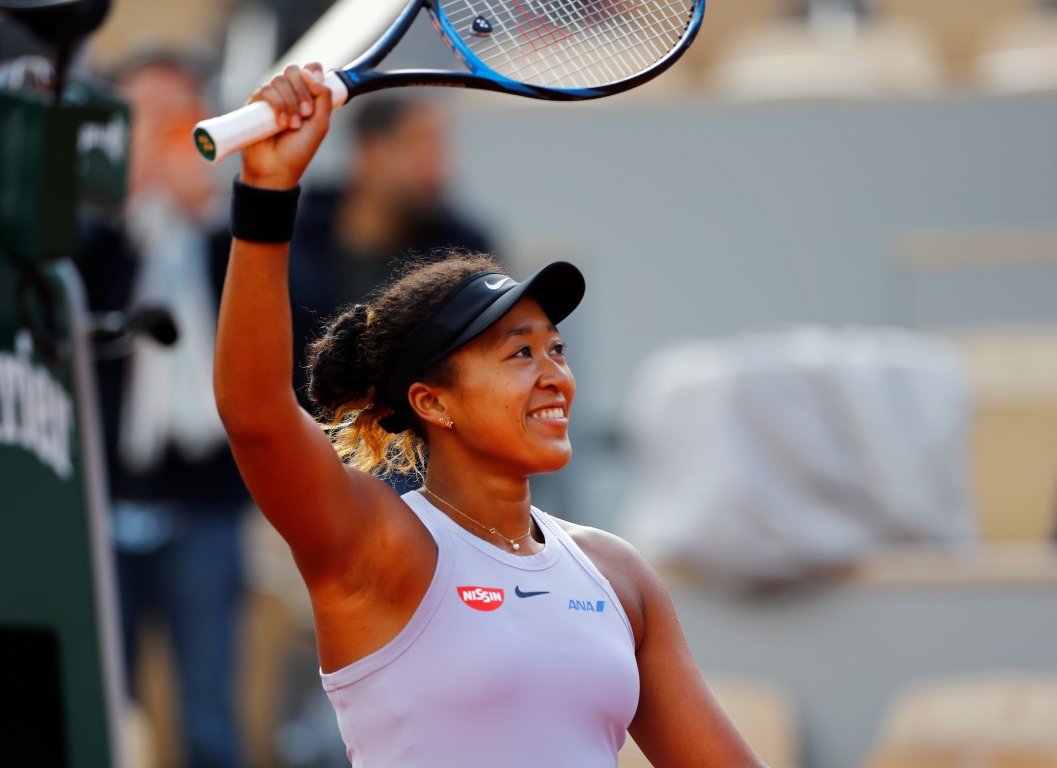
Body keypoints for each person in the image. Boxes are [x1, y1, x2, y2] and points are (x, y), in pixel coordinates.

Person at [214, 62, 766, 767]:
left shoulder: (616, 574)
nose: (555, 378)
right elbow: (256, 415)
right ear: (432, 401)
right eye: (519, 354)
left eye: (557, 349)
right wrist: (267, 192)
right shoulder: (378, 547)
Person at [76, 52, 247, 768]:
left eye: (177, 116)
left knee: (208, 711)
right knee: (98, 703)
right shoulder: (88, 233)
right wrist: (119, 215)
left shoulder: (236, 227)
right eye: (142, 116)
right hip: (101, 496)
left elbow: (290, 327)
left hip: (204, 499)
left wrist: (211, 223)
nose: (160, 134)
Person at [288, 94, 493, 495]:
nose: (440, 165)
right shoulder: (293, 236)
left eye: (442, 144)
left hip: (418, 465)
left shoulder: (464, 247)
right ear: (369, 149)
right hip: (295, 461)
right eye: (420, 143)